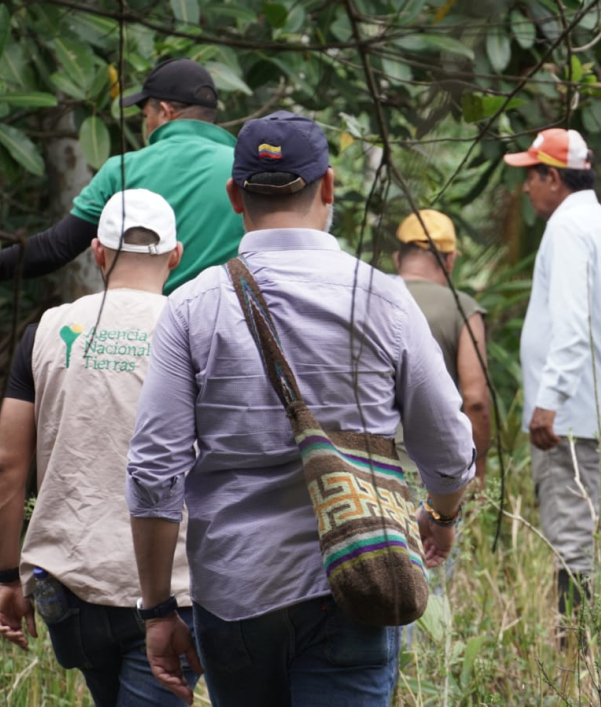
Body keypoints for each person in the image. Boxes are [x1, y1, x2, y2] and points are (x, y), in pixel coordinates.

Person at [126, 110, 475, 707]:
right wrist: (440, 518)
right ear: (330, 186)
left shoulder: (191, 307)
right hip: (356, 581)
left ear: (236, 195)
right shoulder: (384, 299)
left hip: (235, 594)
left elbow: (154, 471)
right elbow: (447, 445)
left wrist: (158, 608)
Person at [0, 189, 195, 706]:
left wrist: (4, 574)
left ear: (97, 252)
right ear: (176, 256)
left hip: (69, 584)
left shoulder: (45, 331)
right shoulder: (194, 328)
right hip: (174, 587)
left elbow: (7, 465)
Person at [504, 127, 601, 622]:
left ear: (554, 178)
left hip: (570, 417)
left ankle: (578, 657)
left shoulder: (566, 230)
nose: (525, 188)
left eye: (531, 177)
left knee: (574, 542)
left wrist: (548, 400)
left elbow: (573, 323)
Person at [0, 57, 242, 293]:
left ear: (166, 112)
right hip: (227, 325)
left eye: (146, 115)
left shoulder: (123, 169)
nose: (145, 125)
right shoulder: (243, 168)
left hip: (148, 326)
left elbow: (54, 249)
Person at [393, 209, 490, 488]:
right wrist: (477, 472)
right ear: (449, 261)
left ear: (398, 258)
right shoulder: (462, 309)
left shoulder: (365, 299)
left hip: (369, 467)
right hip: (434, 477)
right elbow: (476, 399)